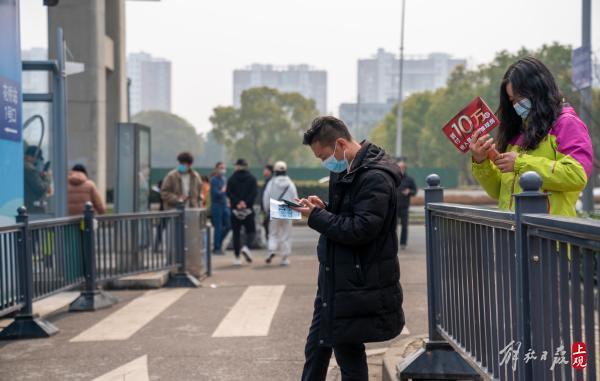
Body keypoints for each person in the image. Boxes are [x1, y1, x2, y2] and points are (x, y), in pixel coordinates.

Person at [293, 116, 405, 381]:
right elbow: (349, 216)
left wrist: (317, 217)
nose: (324, 162)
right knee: (317, 348)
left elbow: (361, 229)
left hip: (355, 282)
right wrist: (325, 209)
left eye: (323, 156)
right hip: (338, 278)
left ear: (340, 143)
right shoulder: (347, 168)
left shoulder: (375, 177)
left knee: (348, 356)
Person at [470, 57, 593, 216]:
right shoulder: (518, 131)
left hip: (548, 236)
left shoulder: (567, 124)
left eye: (521, 97)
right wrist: (481, 161)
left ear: (539, 89)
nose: (516, 105)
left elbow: (577, 175)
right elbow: (499, 192)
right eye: (512, 100)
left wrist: (521, 163)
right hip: (512, 236)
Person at [262, 161, 298, 266]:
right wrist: (296, 211)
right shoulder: (290, 183)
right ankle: (285, 258)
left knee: (273, 233)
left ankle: (272, 250)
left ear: (275, 171)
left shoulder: (271, 183)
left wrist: (266, 209)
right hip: (288, 209)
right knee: (286, 235)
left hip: (274, 208)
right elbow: (295, 198)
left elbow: (266, 196)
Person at [227, 158, 258, 265]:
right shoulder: (252, 178)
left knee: (236, 234)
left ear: (237, 166)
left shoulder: (231, 178)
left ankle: (237, 258)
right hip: (248, 210)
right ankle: (246, 247)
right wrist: (245, 203)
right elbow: (254, 193)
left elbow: (229, 193)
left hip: (235, 210)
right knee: (251, 232)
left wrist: (237, 203)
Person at [396, 158, 417, 250]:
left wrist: (409, 191)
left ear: (405, 168)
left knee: (404, 226)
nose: (401, 169)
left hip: (404, 207)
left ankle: (403, 244)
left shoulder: (409, 179)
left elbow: (415, 191)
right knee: (393, 228)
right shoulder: (393, 178)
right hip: (394, 207)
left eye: (402, 167)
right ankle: (394, 244)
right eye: (399, 167)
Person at [210, 162, 231, 254]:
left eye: (224, 168)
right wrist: (223, 190)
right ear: (216, 169)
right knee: (218, 227)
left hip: (225, 205)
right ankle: (217, 248)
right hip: (216, 205)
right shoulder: (214, 180)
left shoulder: (224, 179)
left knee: (228, 225)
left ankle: (218, 242)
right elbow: (216, 194)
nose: (222, 170)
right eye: (220, 168)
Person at [23, 146, 51, 214]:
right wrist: (47, 177)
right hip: (31, 209)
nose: (37, 161)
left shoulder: (21, 166)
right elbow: (40, 188)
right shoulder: (29, 169)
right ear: (31, 156)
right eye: (37, 159)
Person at [261, 164, 274, 241]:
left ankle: (270, 240)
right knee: (266, 223)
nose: (264, 172)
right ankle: (269, 239)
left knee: (267, 224)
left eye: (266, 170)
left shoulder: (271, 181)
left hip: (270, 207)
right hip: (266, 207)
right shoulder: (267, 180)